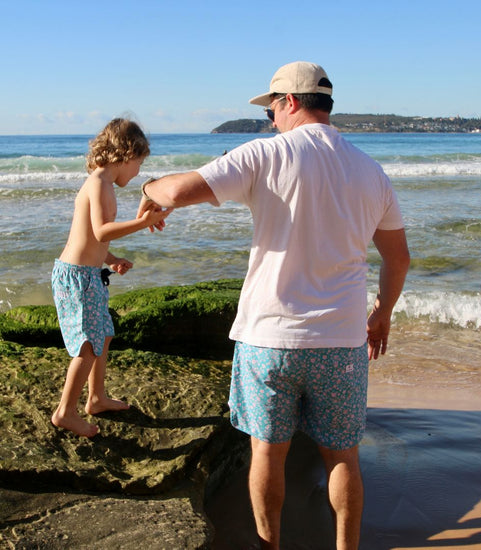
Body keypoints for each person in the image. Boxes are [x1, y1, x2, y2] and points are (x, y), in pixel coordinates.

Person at [137, 62, 410, 549]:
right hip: (341, 341)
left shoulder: (266, 154)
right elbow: (398, 257)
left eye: (271, 110)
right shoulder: (371, 171)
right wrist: (381, 313)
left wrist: (147, 188)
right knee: (343, 457)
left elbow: (176, 191)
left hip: (269, 339)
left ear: (290, 102)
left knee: (267, 453)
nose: (270, 120)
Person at [51, 118, 172, 438]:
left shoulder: (100, 182)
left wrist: (112, 259)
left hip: (87, 274)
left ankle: (96, 398)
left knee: (103, 336)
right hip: (78, 278)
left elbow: (89, 239)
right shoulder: (99, 185)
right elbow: (102, 231)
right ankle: (65, 412)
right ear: (127, 154)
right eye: (139, 164)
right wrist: (143, 222)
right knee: (88, 345)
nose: (137, 172)